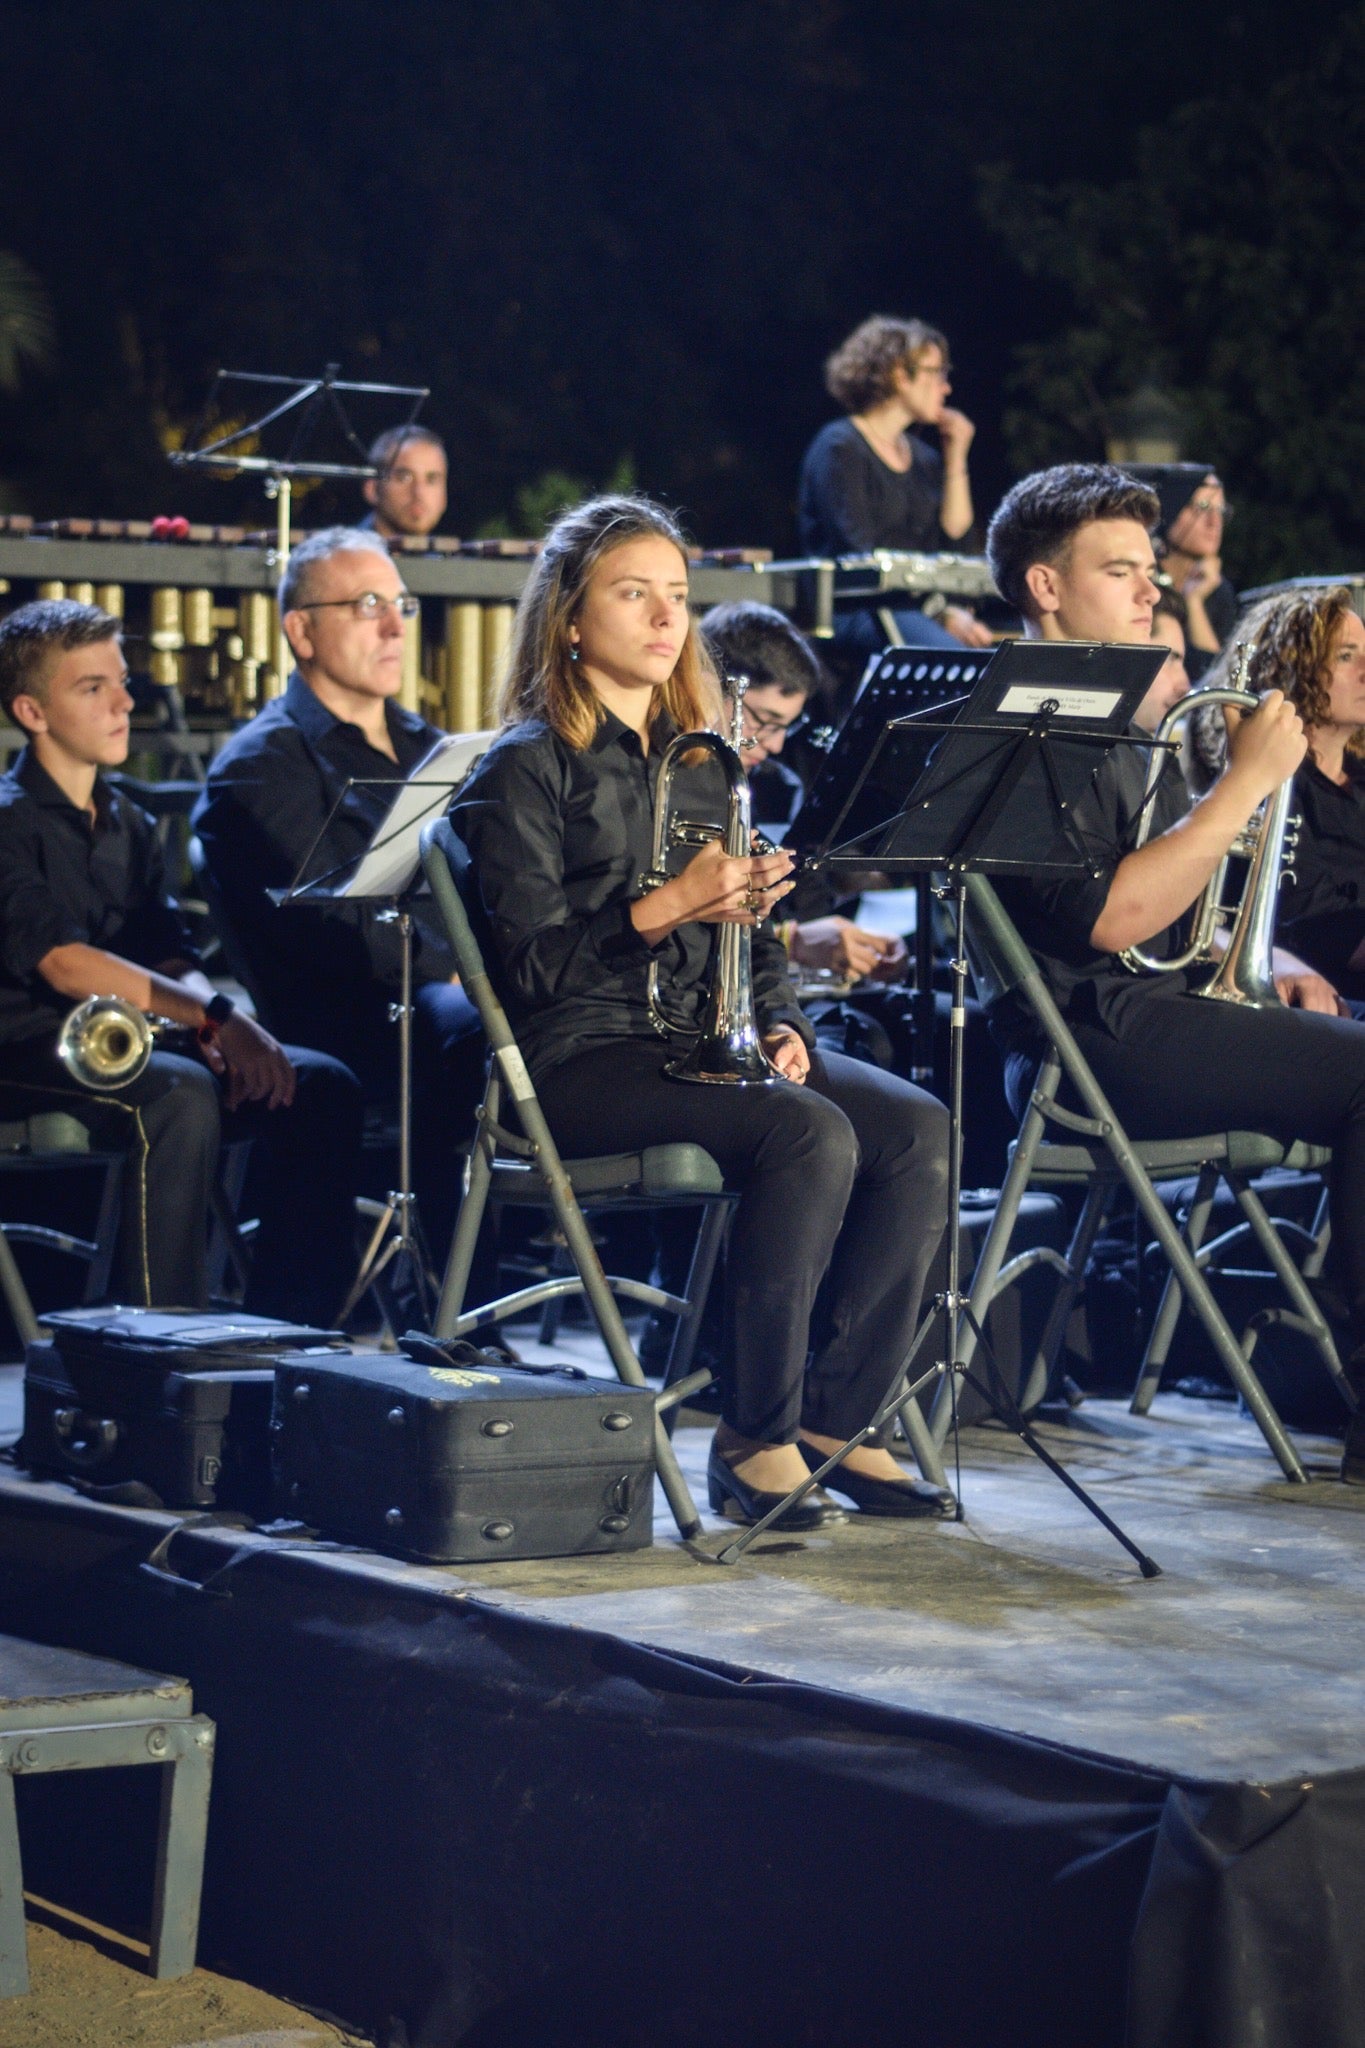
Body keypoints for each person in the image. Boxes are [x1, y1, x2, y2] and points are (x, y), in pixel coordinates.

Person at [448, 494, 952, 1528]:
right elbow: (537, 971)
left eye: (676, 594)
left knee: (914, 1127)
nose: (666, 615)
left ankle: (834, 1419)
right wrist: (670, 903)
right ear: (570, 618)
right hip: (583, 1060)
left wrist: (782, 1023)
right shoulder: (520, 767)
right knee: (803, 1131)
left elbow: (749, 939)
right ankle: (751, 1434)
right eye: (634, 593)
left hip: (697, 1040)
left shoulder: (701, 761)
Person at [983, 462, 1365, 1481]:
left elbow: (1174, 893)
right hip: (1095, 1037)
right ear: (1045, 587)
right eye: (1122, 569)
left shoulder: (1113, 717)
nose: (1154, 589)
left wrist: (1272, 953)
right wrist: (1243, 782)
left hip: (1145, 1010)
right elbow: (1114, 917)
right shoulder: (1037, 724)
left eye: (1152, 569)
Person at [0, 599, 361, 1319]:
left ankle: (292, 1339)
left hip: (126, 1044)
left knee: (318, 1084)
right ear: (32, 712)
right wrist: (216, 1014)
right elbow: (65, 964)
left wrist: (211, 1028)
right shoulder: (7, 820)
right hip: (25, 1054)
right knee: (177, 1095)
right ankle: (165, 1353)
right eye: (92, 687)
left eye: (122, 680)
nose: (124, 702)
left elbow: (171, 949)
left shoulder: (129, 820)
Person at [192, 528, 486, 1255]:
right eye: (366, 605)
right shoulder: (259, 764)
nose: (395, 627)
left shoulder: (432, 748)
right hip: (342, 1022)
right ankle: (460, 1300)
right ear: (301, 631)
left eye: (400, 604)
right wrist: (469, 962)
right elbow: (341, 933)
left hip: (434, 1001)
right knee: (487, 1025)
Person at [1203, 588, 1365, 1001]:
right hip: (1326, 1000)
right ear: (1294, 669)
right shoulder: (1273, 783)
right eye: (1346, 656)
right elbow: (1311, 926)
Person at [798, 315, 991, 655]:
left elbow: (955, 543)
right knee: (959, 664)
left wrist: (956, 458)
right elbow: (858, 552)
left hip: (921, 611)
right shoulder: (840, 447)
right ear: (900, 375)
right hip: (856, 611)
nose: (946, 387)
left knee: (989, 664)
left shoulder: (926, 458)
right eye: (937, 373)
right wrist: (938, 612)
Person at [1126, 463, 1237, 678]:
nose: (1214, 522)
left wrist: (1194, 602)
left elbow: (1216, 677)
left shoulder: (1217, 590)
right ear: (1170, 509)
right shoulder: (1143, 584)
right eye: (1202, 507)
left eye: (1220, 511)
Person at [360, 426, 449, 541]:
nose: (419, 492)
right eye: (404, 478)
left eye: (432, 480)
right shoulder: (338, 555)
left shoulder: (452, 558)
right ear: (372, 489)